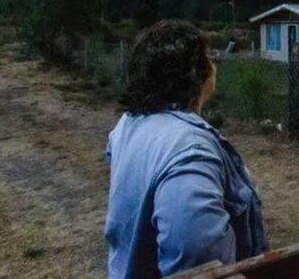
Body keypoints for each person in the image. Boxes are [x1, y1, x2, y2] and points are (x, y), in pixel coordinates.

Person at [105, 20, 268, 278]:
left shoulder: (129, 124)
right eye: (208, 58)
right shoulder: (191, 151)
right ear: (196, 73)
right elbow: (199, 258)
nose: (214, 64)